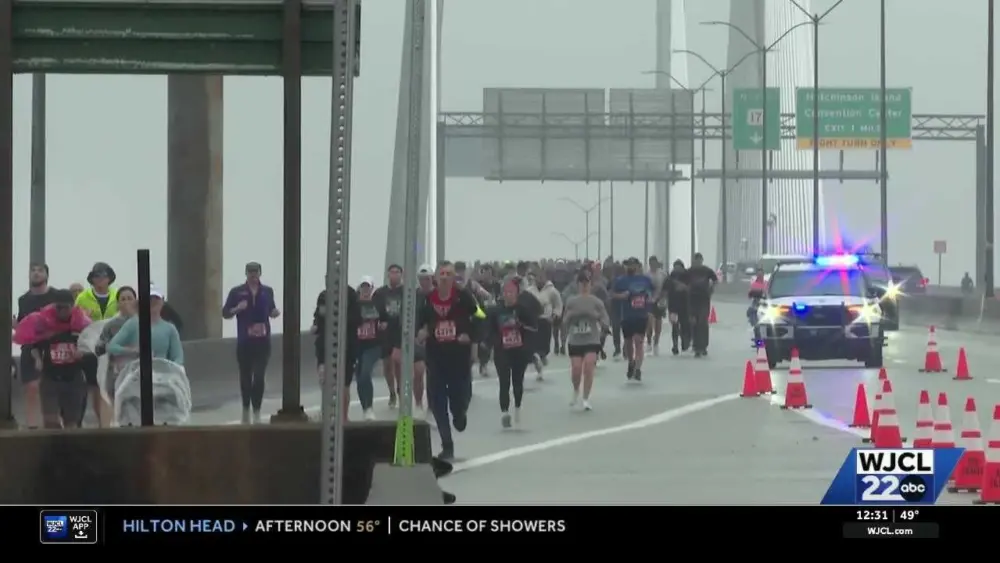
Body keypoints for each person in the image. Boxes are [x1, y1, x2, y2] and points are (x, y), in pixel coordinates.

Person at [417, 261, 485, 460]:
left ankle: (460, 413)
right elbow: (420, 323)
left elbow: (480, 316)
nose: (445, 278)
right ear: (436, 278)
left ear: (454, 277)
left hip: (459, 358)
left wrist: (471, 337)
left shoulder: (463, 297)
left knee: (459, 398)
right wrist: (421, 332)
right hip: (436, 357)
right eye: (442, 274)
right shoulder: (428, 300)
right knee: (437, 402)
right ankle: (447, 445)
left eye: (449, 274)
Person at [13, 289, 93, 429]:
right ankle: (53, 448)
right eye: (58, 307)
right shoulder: (43, 322)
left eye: (65, 307)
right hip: (50, 377)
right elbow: (33, 345)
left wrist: (82, 352)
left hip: (73, 378)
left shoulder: (82, 323)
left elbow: (94, 346)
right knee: (50, 422)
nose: (61, 311)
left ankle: (69, 450)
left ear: (72, 306)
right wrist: (37, 359)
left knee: (72, 424)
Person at [221, 262, 280, 424]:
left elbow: (271, 309)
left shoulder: (267, 291)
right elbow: (225, 313)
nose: (253, 275)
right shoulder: (237, 292)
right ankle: (246, 408)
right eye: (250, 272)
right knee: (245, 377)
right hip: (245, 342)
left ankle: (257, 411)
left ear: (260, 273)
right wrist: (237, 309)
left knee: (259, 376)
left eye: (256, 272)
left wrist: (274, 313)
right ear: (246, 273)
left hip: (263, 341)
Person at [484, 278, 537, 429]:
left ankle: (518, 409)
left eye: (511, 293)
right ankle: (504, 412)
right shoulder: (496, 311)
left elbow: (534, 327)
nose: (508, 295)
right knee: (504, 381)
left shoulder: (523, 309)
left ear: (517, 294)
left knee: (517, 381)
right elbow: (490, 330)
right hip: (502, 351)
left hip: (520, 351)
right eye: (506, 292)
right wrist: (489, 343)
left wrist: (521, 326)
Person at [15, 262, 58, 429]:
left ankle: (54, 424)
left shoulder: (56, 296)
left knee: (51, 388)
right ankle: (32, 427)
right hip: (29, 347)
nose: (36, 273)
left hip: (52, 346)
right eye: (33, 270)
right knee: (31, 388)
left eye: (40, 270)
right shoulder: (24, 300)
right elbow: (23, 326)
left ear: (47, 275)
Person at [75, 262, 119, 422]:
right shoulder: (83, 297)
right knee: (95, 386)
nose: (100, 279)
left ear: (110, 278)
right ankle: (102, 420)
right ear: (91, 279)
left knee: (112, 384)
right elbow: (76, 323)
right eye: (96, 276)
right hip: (91, 348)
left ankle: (112, 419)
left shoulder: (117, 295)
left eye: (104, 276)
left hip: (113, 347)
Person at [312, 281, 361, 422]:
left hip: (347, 345)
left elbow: (357, 318)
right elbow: (318, 315)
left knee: (344, 384)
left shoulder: (351, 294)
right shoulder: (323, 296)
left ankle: (344, 417)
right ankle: (327, 412)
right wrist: (316, 325)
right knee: (325, 379)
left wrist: (338, 317)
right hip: (324, 345)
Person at [563, 271, 610, 411]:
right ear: (577, 285)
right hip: (576, 340)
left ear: (590, 284)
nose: (584, 285)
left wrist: (599, 320)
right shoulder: (571, 301)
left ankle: (586, 398)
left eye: (587, 283)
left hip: (591, 339)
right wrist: (570, 316)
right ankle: (576, 389)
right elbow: (564, 321)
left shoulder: (596, 302)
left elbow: (605, 319)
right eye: (581, 283)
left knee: (589, 366)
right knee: (576, 369)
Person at [107, 285, 185, 367]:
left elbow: (178, 358)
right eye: (149, 299)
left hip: (162, 374)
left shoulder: (170, 328)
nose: (152, 301)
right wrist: (133, 350)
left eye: (156, 298)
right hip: (137, 372)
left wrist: (170, 369)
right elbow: (112, 347)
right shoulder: (133, 323)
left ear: (162, 301)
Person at [94, 286, 138, 425]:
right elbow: (99, 348)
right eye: (122, 299)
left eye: (129, 298)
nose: (126, 302)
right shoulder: (111, 325)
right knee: (119, 409)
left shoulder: (145, 322)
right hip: (116, 372)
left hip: (139, 372)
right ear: (118, 304)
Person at [611, 257, 655, 381]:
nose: (630, 267)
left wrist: (652, 299)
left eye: (633, 265)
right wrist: (622, 296)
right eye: (628, 265)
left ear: (638, 266)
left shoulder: (645, 280)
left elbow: (653, 292)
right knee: (629, 342)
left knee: (639, 341)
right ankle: (631, 362)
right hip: (627, 315)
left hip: (641, 315)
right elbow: (612, 294)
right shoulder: (620, 281)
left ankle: (638, 368)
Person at [373, 264, 404, 409]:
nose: (394, 275)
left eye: (397, 272)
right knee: (387, 365)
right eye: (392, 272)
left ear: (401, 275)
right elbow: (373, 312)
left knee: (398, 362)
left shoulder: (405, 291)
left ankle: (400, 390)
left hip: (399, 332)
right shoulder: (380, 293)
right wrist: (379, 323)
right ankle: (391, 391)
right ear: (388, 275)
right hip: (385, 334)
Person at [526, 270, 563, 380]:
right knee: (533, 348)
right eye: (538, 277)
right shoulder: (529, 291)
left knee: (544, 347)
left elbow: (558, 305)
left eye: (542, 277)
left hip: (546, 321)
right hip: (532, 321)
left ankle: (542, 356)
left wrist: (556, 315)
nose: (540, 279)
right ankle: (539, 369)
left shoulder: (552, 291)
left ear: (546, 278)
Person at [354, 276, 381, 420]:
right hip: (358, 345)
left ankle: (369, 407)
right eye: (363, 287)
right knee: (359, 378)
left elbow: (386, 317)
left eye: (368, 288)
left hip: (373, 345)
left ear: (371, 289)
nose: (365, 290)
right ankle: (365, 407)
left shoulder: (376, 304)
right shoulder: (354, 305)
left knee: (365, 373)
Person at [682, 252, 718, 357]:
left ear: (702, 260)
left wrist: (711, 289)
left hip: (704, 299)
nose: (697, 262)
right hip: (692, 300)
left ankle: (703, 346)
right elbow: (682, 282)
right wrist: (686, 289)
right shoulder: (689, 271)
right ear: (693, 261)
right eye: (695, 260)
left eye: (699, 260)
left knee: (702, 322)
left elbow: (715, 280)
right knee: (693, 322)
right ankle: (696, 346)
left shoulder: (707, 270)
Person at [661, 260, 691, 355]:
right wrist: (663, 303)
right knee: (675, 325)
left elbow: (692, 289)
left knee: (685, 325)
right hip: (673, 306)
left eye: (678, 267)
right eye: (675, 267)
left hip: (685, 306)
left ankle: (684, 342)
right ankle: (675, 345)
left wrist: (684, 288)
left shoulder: (687, 277)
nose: (677, 269)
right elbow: (664, 292)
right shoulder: (669, 279)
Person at [645, 256, 670, 356]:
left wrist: (664, 297)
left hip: (660, 301)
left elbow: (667, 286)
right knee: (649, 323)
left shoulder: (663, 274)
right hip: (649, 301)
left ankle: (656, 343)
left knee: (658, 324)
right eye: (651, 263)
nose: (652, 265)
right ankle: (649, 342)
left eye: (654, 263)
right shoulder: (646, 275)